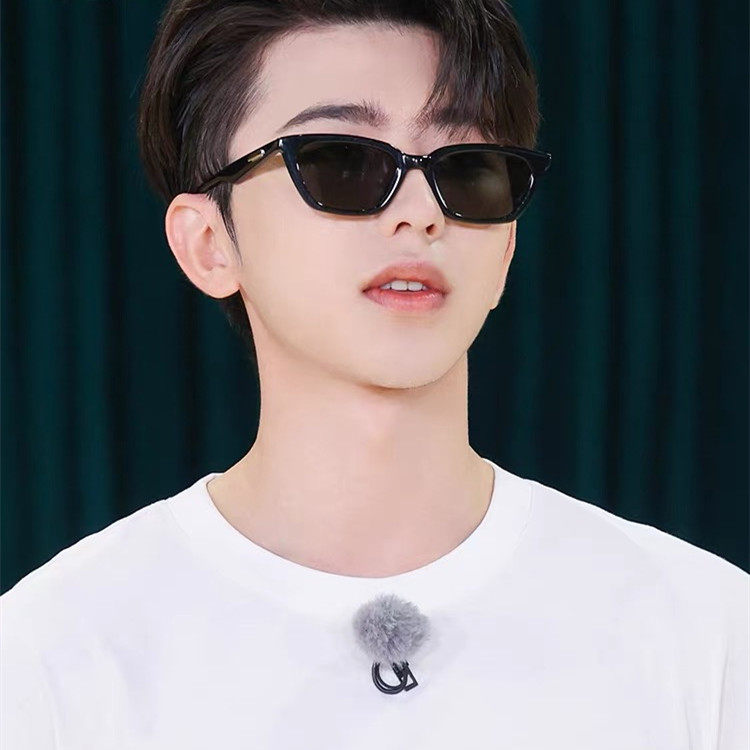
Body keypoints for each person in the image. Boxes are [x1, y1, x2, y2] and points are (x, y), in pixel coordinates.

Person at [2, 1, 747, 748]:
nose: (420, 213)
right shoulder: (56, 654)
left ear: (506, 247)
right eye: (341, 161)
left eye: (466, 169)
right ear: (208, 243)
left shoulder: (704, 632)